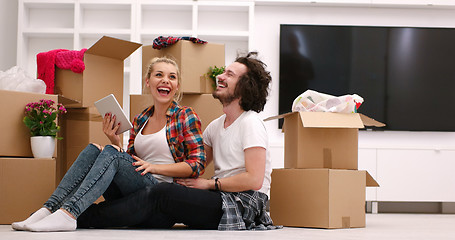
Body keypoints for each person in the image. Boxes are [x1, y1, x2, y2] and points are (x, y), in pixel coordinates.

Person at [76, 52, 281, 230]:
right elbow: (195, 166)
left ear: (245, 86)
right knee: (160, 193)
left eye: (230, 74)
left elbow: (254, 180)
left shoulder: (250, 122)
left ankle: (81, 216)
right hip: (221, 196)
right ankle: (74, 212)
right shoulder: (216, 126)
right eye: (223, 71)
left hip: (244, 203)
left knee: (164, 193)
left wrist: (209, 184)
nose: (220, 76)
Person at [12, 56, 206, 232]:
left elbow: (197, 165)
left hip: (160, 195)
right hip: (134, 191)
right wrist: (114, 141)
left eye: (172, 77)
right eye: (159, 75)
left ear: (177, 85)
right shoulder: (141, 119)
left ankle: (69, 213)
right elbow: (129, 161)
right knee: (94, 148)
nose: (165, 80)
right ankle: (49, 208)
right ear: (148, 82)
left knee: (112, 153)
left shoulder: (185, 115)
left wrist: (154, 167)